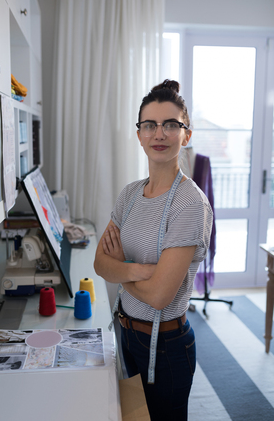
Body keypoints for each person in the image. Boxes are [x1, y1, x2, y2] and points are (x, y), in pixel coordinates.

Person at [94, 79, 213, 420]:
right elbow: (100, 264)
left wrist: (121, 267)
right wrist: (137, 270)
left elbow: (161, 296)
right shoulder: (129, 194)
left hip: (166, 348)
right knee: (132, 417)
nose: (159, 134)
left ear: (185, 135)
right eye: (150, 125)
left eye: (170, 125)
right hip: (126, 335)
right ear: (139, 135)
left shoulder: (189, 204)